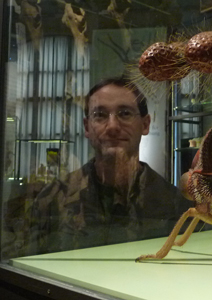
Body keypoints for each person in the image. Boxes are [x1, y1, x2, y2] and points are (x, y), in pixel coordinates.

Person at [4, 77, 192, 257]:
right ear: (87, 127)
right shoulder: (53, 199)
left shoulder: (174, 205)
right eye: (100, 115)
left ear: (145, 124)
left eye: (125, 113)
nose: (112, 126)